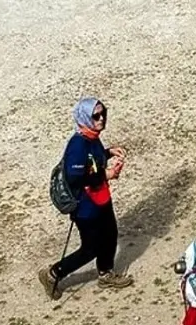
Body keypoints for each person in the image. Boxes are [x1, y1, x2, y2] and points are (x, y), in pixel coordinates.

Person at [38, 97, 132, 297]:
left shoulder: (92, 137)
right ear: (84, 118)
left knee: (111, 235)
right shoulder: (78, 144)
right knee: (90, 248)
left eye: (103, 114)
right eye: (95, 116)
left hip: (101, 198)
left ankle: (106, 273)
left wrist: (108, 153)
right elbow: (75, 177)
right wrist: (105, 175)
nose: (101, 119)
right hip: (85, 206)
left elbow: (93, 160)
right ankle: (54, 273)